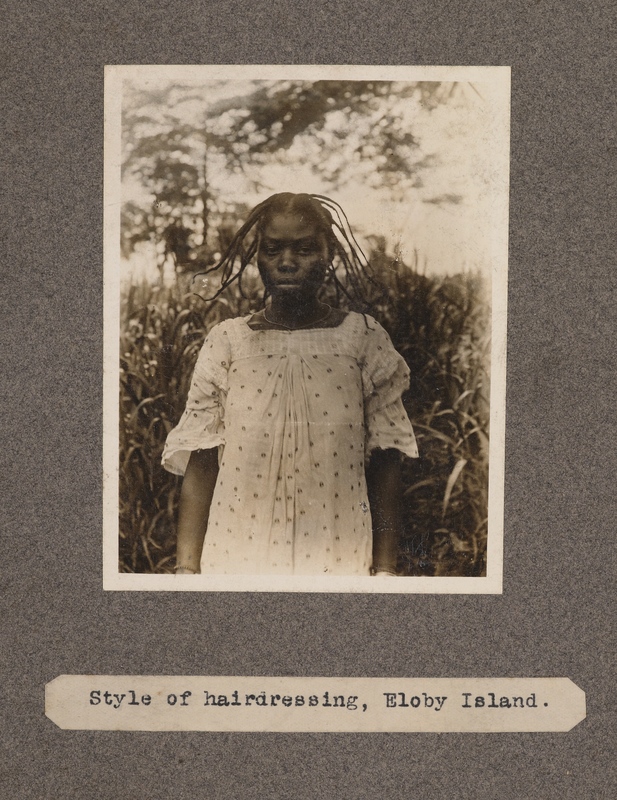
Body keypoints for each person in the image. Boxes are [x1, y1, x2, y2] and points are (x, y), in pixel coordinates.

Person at [161, 193, 418, 576]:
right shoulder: (229, 342)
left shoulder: (362, 340)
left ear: (329, 254)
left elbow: (386, 460)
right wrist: (186, 569)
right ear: (257, 257)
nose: (287, 263)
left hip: (336, 548)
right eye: (272, 249)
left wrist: (385, 572)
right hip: (237, 548)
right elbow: (202, 462)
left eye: (305, 249)